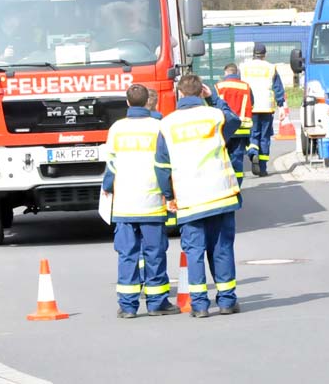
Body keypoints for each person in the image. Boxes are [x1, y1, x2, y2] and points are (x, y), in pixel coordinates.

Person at [154, 74, 242, 318]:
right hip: (220, 195)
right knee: (222, 248)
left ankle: (200, 305)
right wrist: (213, 97)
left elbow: (162, 165)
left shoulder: (168, 124)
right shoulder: (214, 116)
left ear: (180, 94)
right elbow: (235, 120)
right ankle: (226, 301)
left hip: (190, 199)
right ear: (200, 91)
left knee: (194, 252)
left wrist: (168, 194)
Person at [102, 83, 180, 319]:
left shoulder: (117, 128)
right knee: (155, 253)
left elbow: (111, 164)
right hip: (152, 202)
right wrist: (170, 195)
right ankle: (157, 303)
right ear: (148, 101)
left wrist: (107, 188)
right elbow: (166, 165)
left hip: (125, 203)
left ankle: (127, 306)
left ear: (127, 103)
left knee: (127, 254)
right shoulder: (159, 127)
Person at [240, 43, 285, 177]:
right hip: (266, 107)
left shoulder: (244, 67)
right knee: (264, 137)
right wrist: (281, 106)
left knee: (252, 134)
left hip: (250, 107)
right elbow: (278, 88)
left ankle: (253, 152)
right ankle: (263, 169)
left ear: (253, 54)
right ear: (265, 55)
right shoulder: (271, 68)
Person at [215, 63, 254, 187]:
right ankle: (237, 185)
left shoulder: (218, 87)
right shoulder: (246, 87)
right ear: (236, 72)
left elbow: (213, 105)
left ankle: (225, 184)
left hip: (224, 129)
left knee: (222, 159)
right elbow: (251, 104)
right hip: (241, 129)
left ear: (226, 73)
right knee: (237, 159)